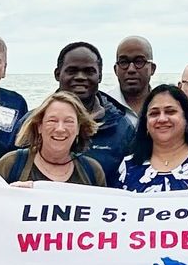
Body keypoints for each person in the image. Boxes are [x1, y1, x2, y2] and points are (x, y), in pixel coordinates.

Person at [38, 41, 134, 185]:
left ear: (100, 76)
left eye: (89, 71)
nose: (80, 77)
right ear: (58, 74)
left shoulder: (122, 129)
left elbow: (130, 181)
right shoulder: (34, 122)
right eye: (72, 71)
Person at [119, 85, 188, 192]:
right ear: (146, 123)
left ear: (187, 119)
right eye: (154, 113)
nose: (162, 119)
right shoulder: (128, 166)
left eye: (170, 112)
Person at [0, 92, 109, 186]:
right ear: (39, 126)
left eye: (69, 121)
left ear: (78, 128)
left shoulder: (92, 171)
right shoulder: (11, 163)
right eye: (52, 120)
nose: (60, 129)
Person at [114, 36, 156, 126]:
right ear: (115, 69)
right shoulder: (103, 106)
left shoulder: (162, 107)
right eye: (124, 62)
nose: (131, 69)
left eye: (139, 61)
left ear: (152, 68)